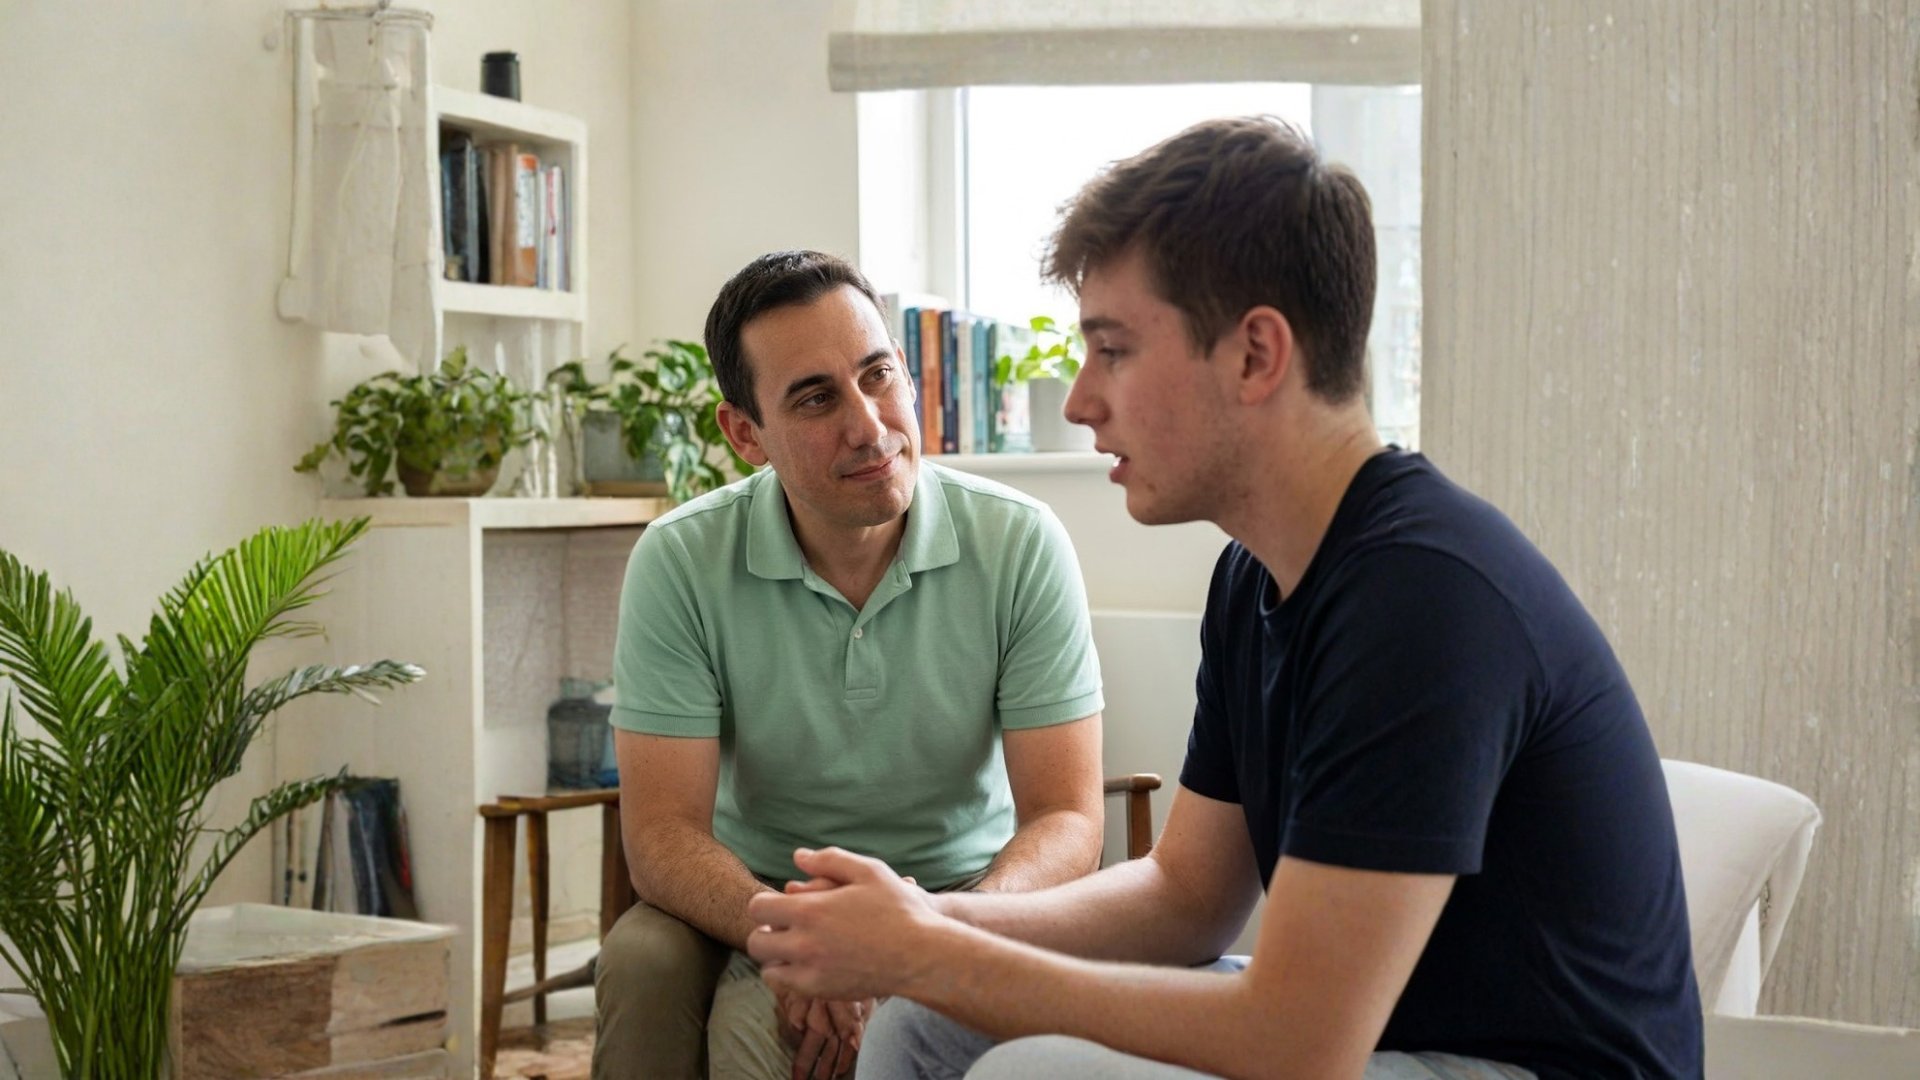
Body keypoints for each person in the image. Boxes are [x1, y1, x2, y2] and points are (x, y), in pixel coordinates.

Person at [742, 117, 1704, 1080]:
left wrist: (928, 950)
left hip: (1509, 1064)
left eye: (1112, 350)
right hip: (1376, 1039)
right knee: (925, 1025)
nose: (1079, 401)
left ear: (1255, 355)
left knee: (1039, 1070)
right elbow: (1184, 899)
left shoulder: (1423, 599)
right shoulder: (1257, 576)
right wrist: (915, 926)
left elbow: (1299, 1044)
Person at [593, 250, 1108, 1080]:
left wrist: (922, 937)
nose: (869, 425)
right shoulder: (680, 559)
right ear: (745, 435)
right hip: (756, 896)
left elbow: (1067, 820)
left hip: (964, 895)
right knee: (645, 959)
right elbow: (660, 835)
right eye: (815, 398)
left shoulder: (1019, 540)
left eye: (879, 376)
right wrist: (805, 938)